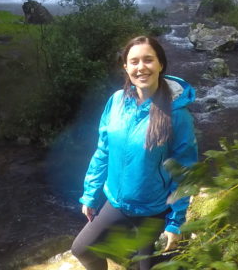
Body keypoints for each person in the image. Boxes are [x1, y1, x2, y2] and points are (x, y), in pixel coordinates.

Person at [72, 35, 198, 270]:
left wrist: (175, 222)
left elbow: (185, 171)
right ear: (126, 67)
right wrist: (90, 194)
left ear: (161, 64)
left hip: (153, 210)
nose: (141, 67)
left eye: (148, 60)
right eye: (134, 61)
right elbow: (103, 150)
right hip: (117, 203)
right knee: (82, 250)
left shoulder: (177, 115)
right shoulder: (117, 101)